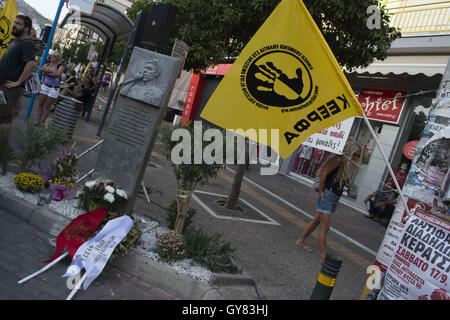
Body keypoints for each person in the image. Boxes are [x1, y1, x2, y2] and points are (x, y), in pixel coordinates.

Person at [296, 141, 363, 262]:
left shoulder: (347, 164)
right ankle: (323, 255)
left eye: (358, 155)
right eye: (355, 154)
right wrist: (321, 190)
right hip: (327, 195)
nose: (356, 158)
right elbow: (324, 173)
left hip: (333, 197)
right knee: (325, 226)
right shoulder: (338, 160)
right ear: (349, 152)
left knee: (317, 221)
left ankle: (301, 240)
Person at [0, 15, 36, 137]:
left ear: (26, 28)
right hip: (2, 85)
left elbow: (31, 64)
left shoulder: (26, 44)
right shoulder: (14, 40)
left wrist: (18, 82)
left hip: (10, 88)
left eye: (18, 24)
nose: (14, 25)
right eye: (14, 22)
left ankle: (3, 148)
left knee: (5, 118)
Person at [35, 50, 64, 126]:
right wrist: (50, 71)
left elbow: (57, 74)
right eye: (52, 55)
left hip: (53, 88)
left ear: (58, 58)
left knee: (47, 106)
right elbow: (42, 69)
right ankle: (38, 120)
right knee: (40, 104)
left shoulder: (60, 66)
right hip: (45, 85)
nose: (52, 57)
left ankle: (43, 122)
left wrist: (47, 72)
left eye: (54, 56)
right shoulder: (47, 64)